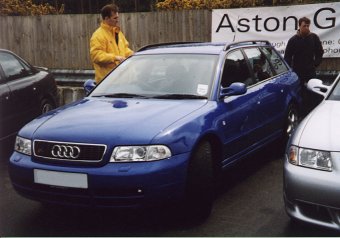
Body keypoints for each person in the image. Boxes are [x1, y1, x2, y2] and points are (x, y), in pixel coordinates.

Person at [284, 16, 324, 116]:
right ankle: (301, 113)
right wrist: (289, 71)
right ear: (299, 26)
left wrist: (316, 63)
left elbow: (320, 52)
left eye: (308, 25)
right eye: (304, 25)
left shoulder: (314, 38)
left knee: (314, 91)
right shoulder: (293, 40)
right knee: (299, 92)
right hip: (297, 71)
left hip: (310, 70)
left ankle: (314, 111)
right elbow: (288, 56)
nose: (306, 27)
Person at [90, 4, 134, 84]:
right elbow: (96, 56)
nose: (117, 20)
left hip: (122, 80)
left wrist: (133, 55)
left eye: (118, 17)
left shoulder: (118, 32)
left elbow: (125, 49)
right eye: (115, 18)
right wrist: (115, 57)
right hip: (106, 83)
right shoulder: (98, 35)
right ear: (106, 18)